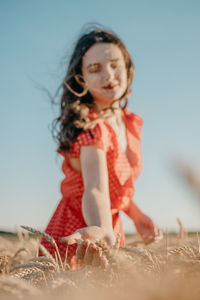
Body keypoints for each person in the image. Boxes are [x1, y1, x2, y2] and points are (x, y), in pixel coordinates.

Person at [40, 27, 162, 267]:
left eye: (115, 64)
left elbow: (114, 188)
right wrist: (101, 228)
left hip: (110, 224)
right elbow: (95, 188)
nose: (108, 74)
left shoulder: (129, 122)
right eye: (95, 69)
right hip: (80, 232)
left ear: (127, 67)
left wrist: (136, 216)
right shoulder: (90, 127)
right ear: (81, 79)